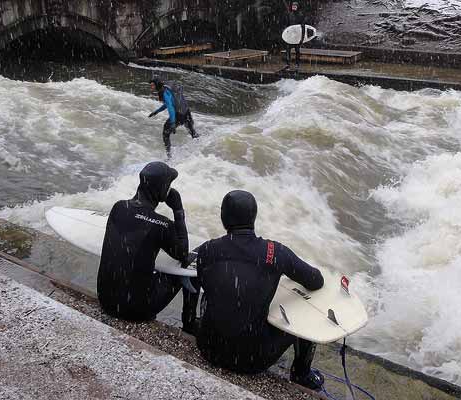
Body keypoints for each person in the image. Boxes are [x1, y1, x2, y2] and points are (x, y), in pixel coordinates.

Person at [194, 190, 326, 391]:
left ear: (223, 217)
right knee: (302, 312)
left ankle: (190, 325)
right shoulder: (275, 253)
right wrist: (279, 271)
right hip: (252, 361)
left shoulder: (207, 249)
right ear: (254, 217)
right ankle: (301, 373)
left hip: (207, 348)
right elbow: (316, 281)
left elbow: (205, 283)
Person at [97, 161, 199, 333]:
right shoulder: (161, 224)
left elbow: (133, 236)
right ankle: (189, 323)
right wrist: (178, 211)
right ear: (162, 190)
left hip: (105, 300)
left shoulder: (118, 207)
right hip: (135, 310)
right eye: (169, 185)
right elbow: (183, 253)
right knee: (188, 271)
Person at [147, 78, 199, 158]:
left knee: (165, 133)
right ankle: (200, 148)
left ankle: (169, 156)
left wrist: (173, 123)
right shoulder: (167, 89)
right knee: (192, 131)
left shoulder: (164, 93)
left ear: (157, 85)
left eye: (153, 85)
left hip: (178, 115)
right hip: (186, 111)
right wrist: (157, 111)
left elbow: (170, 108)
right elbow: (169, 104)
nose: (151, 87)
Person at [283, 0, 306, 68]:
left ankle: (297, 63)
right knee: (287, 49)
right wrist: (285, 34)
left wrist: (302, 38)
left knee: (297, 50)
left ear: (297, 7)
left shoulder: (301, 15)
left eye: (295, 6)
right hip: (290, 35)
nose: (294, 7)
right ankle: (287, 63)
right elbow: (287, 25)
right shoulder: (289, 14)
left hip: (297, 36)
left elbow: (303, 27)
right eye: (293, 6)